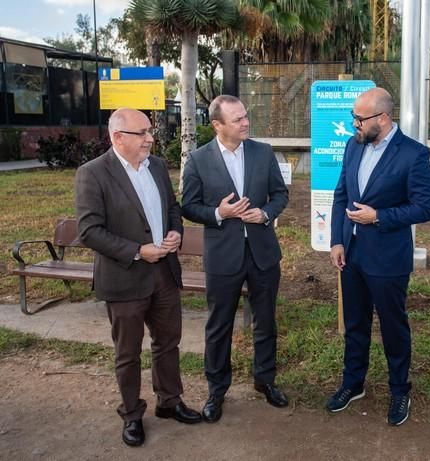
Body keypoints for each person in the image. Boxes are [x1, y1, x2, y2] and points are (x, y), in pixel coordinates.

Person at [75, 108, 202, 448]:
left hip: (164, 273)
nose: (150, 138)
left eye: (149, 131)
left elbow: (172, 209)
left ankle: (169, 401)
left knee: (168, 343)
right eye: (142, 132)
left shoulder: (157, 166)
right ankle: (132, 415)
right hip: (125, 277)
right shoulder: (93, 174)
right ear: (118, 137)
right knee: (128, 353)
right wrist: (136, 250)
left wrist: (175, 233)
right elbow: (89, 231)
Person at [327, 88, 430, 426]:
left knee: (393, 326)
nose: (354, 125)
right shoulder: (353, 145)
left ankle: (400, 390)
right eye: (353, 119)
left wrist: (379, 217)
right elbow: (341, 194)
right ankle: (353, 382)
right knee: (355, 323)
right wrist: (336, 241)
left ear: (383, 119)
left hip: (388, 258)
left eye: (359, 119)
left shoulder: (413, 154)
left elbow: (424, 207)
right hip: (352, 253)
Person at [181, 95, 290, 423]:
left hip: (263, 254)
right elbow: (188, 205)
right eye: (238, 119)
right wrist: (219, 212)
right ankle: (217, 390)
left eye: (245, 116)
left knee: (266, 321)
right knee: (219, 326)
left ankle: (265, 380)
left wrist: (265, 214)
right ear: (217, 125)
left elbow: (281, 195)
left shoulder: (263, 152)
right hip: (223, 257)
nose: (246, 123)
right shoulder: (198, 160)